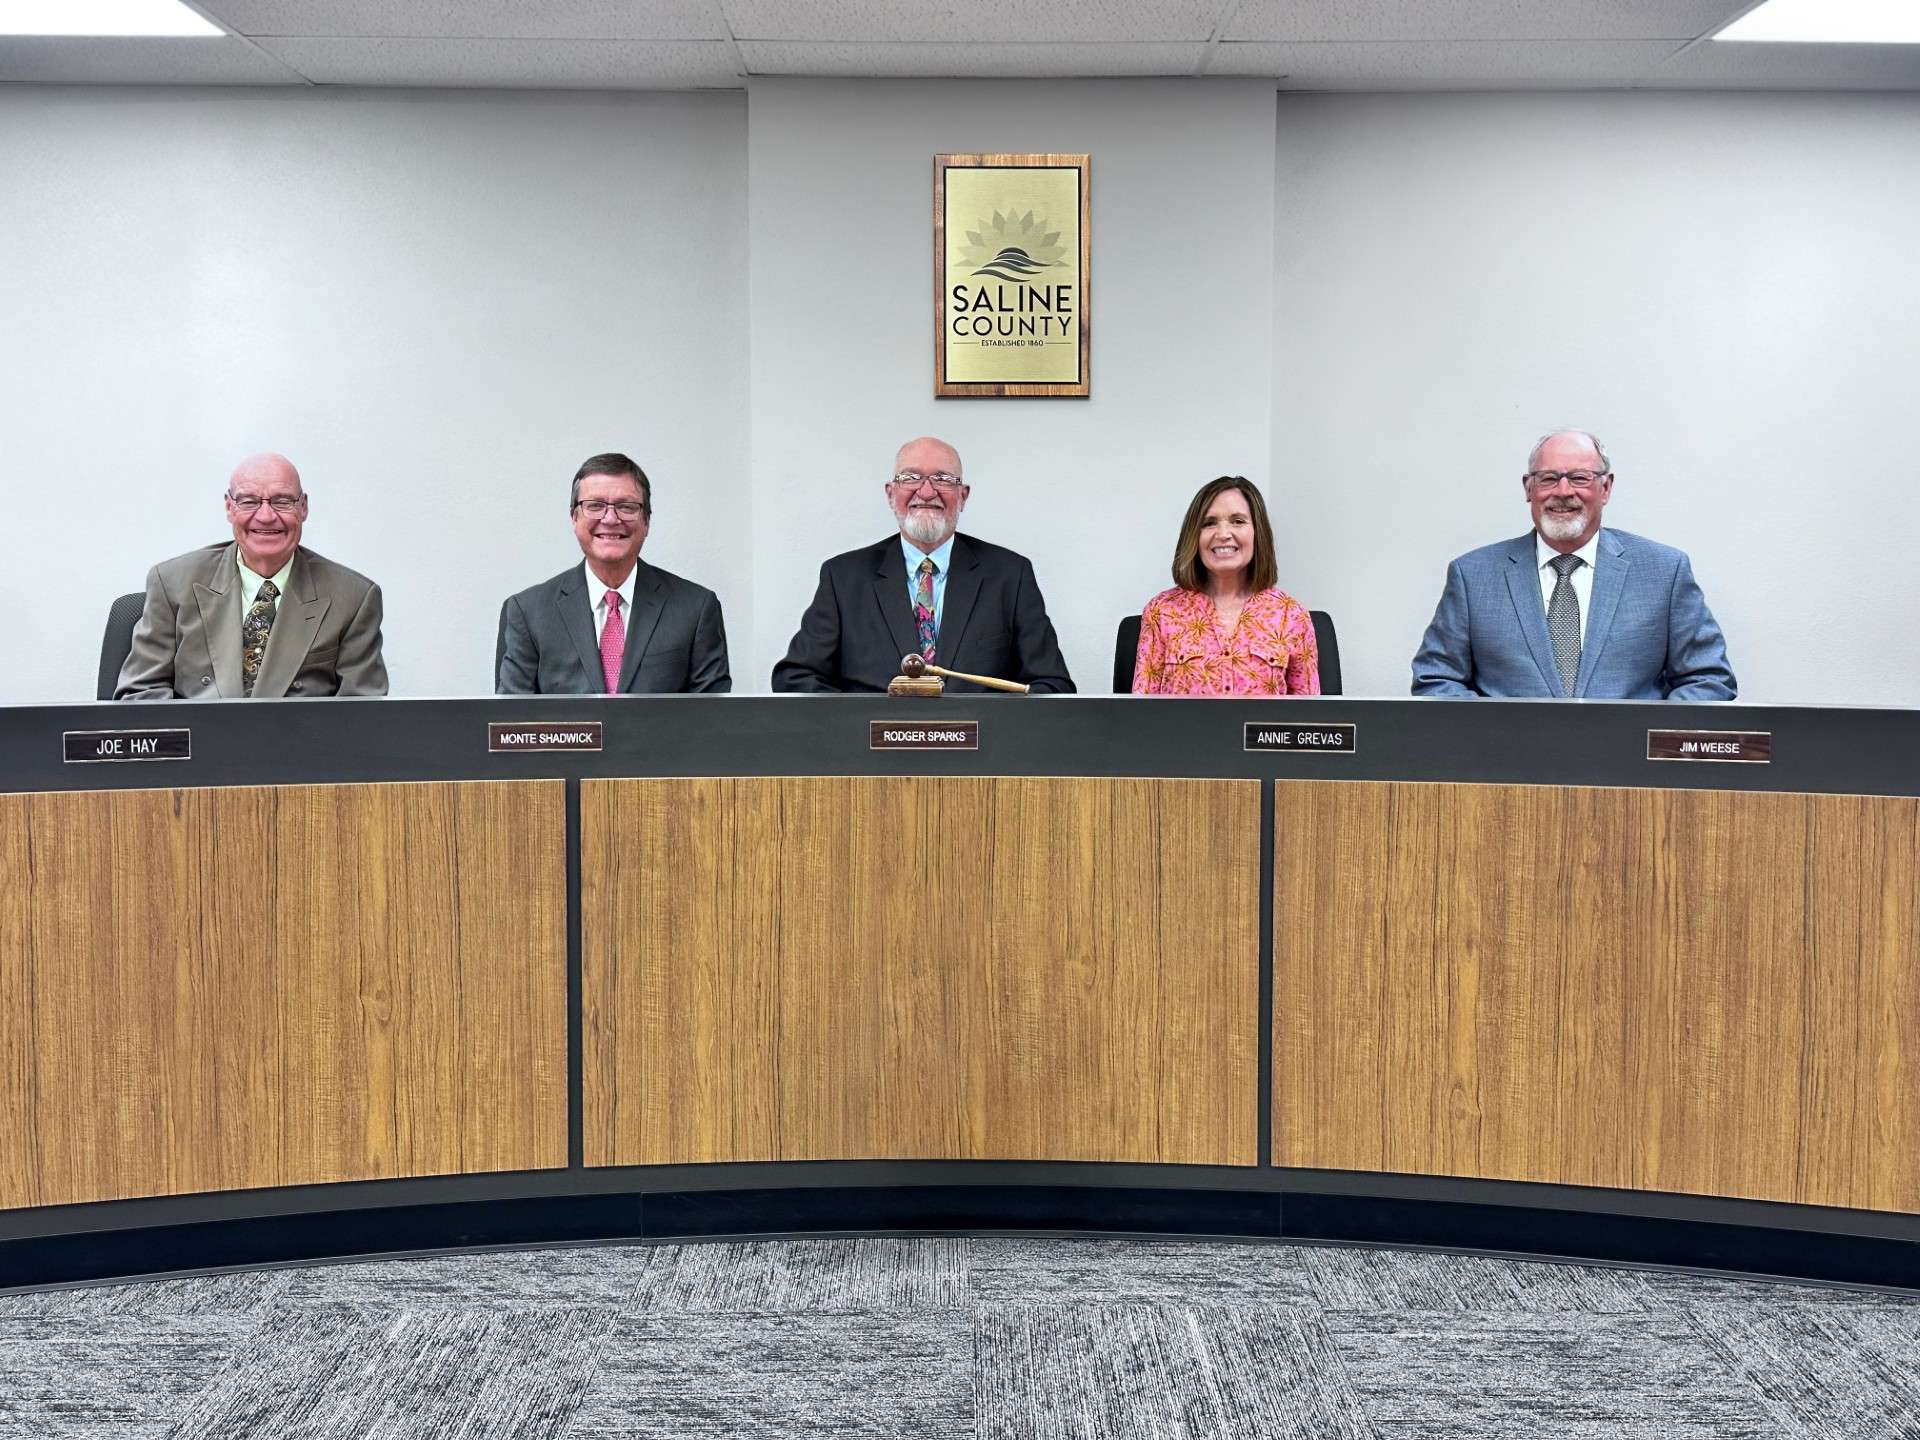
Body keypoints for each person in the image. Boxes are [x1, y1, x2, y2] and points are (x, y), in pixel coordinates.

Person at [1411, 429, 1735, 700]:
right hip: (1509, 768)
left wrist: (1640, 735)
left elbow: (1708, 679)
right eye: (1549, 478)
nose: (1563, 492)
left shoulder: (1665, 572)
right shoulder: (1473, 577)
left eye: (1580, 478)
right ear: (1529, 488)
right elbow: (1435, 681)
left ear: (1605, 488)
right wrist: (1500, 733)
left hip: (1625, 769)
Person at [772, 436, 1075, 694]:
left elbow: (1052, 685)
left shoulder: (1010, 575)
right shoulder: (843, 578)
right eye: (911, 478)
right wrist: (857, 725)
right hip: (872, 757)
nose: (927, 491)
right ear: (891, 494)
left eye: (943, 479)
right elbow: (795, 679)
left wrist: (992, 727)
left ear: (963, 495)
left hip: (980, 757)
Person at [115, 453, 387, 700]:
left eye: (282, 501)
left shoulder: (354, 598)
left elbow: (360, 718)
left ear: (303, 507)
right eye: (249, 501)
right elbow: (141, 695)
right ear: (229, 507)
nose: (266, 516)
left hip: (301, 750)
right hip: (202, 748)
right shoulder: (172, 583)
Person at [497, 453, 729, 694]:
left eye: (626, 507)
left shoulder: (696, 608)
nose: (610, 519)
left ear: (646, 521)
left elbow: (712, 721)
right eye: (595, 506)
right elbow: (512, 724)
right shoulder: (528, 612)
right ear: (574, 518)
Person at [1132, 477, 1319, 696]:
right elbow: (1140, 715)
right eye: (1209, 523)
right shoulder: (1161, 612)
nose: (1222, 534)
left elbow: (1309, 721)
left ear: (1258, 532)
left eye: (1237, 521)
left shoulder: (1292, 616)